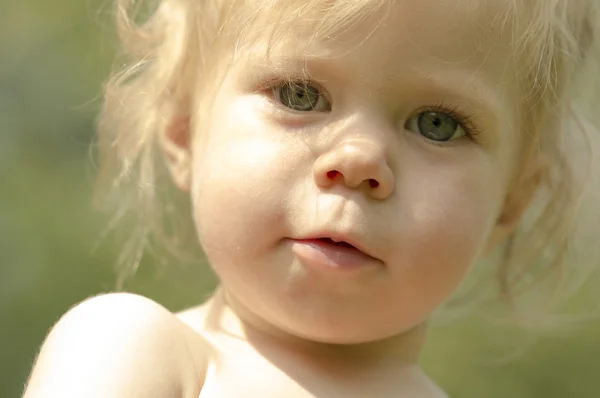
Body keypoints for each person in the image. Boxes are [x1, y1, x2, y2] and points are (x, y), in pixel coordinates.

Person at [23, 0, 600, 397]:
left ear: (511, 200)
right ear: (183, 129)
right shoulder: (138, 351)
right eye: (301, 94)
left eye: (437, 124)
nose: (359, 159)